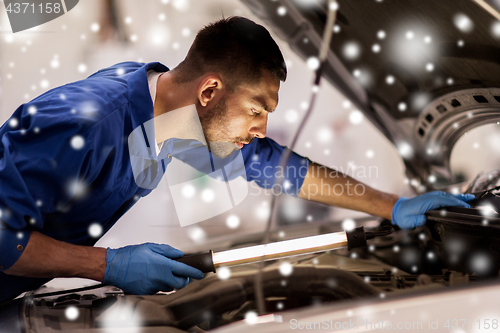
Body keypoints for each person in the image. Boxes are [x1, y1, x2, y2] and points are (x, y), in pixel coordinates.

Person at [0, 17, 475, 303]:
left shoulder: (173, 112)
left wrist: (392, 206)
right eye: (256, 110)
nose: (262, 128)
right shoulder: (85, 122)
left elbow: (276, 166)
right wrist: (108, 266)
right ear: (209, 90)